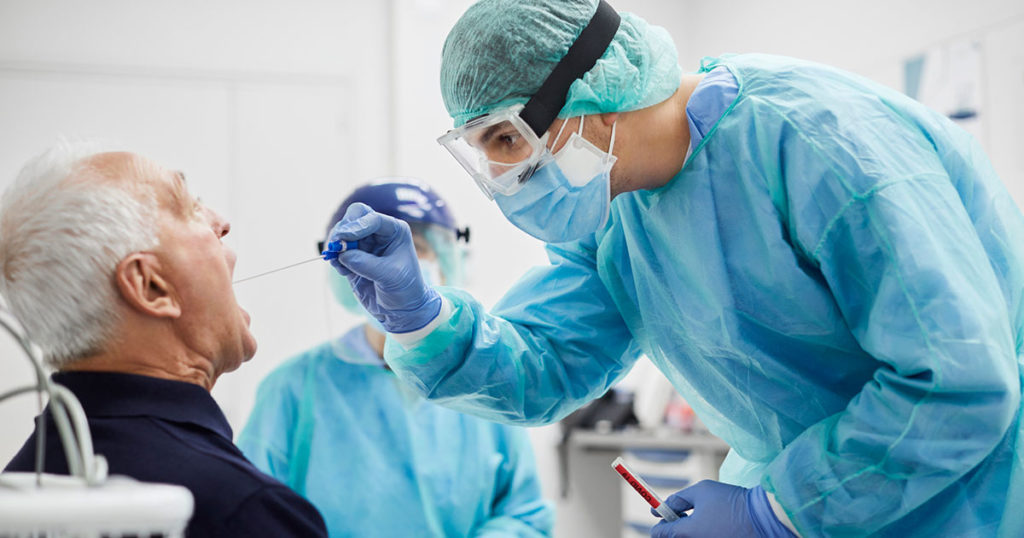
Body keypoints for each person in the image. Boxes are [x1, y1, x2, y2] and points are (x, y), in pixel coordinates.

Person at [323, 1, 1024, 536]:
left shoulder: (819, 144)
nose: (504, 177)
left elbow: (957, 382)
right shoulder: (612, 212)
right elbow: (546, 366)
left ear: (592, 102)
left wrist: (775, 510)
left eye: (508, 138)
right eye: (483, 151)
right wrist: (421, 316)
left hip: (968, 498)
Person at [1, 144, 327, 537]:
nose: (221, 222)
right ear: (151, 286)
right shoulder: (244, 511)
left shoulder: (23, 488)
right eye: (189, 207)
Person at [238, 179, 554, 538]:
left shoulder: (484, 377)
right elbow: (252, 512)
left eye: (416, 248)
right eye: (374, 250)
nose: (395, 265)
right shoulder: (295, 387)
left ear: (450, 259)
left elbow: (524, 515)